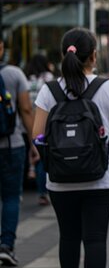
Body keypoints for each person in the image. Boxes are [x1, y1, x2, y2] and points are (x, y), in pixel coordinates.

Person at [32, 28, 109, 268]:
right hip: (102, 178)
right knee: (95, 240)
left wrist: (57, 161)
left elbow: (37, 136)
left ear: (64, 55)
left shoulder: (48, 91)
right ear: (94, 56)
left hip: (60, 181)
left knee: (68, 238)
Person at [0, 37, 38, 267]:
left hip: (11, 146)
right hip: (11, 145)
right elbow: (25, 110)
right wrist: (36, 144)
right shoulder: (14, 74)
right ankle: (6, 246)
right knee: (11, 197)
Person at [24, 54, 55, 206]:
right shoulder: (48, 78)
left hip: (26, 122)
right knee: (42, 154)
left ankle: (36, 189)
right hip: (44, 120)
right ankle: (44, 191)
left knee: (31, 153)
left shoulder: (27, 80)